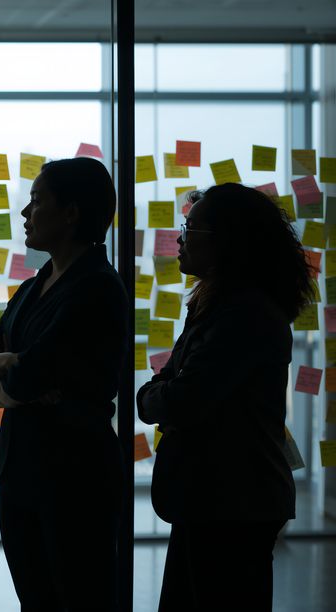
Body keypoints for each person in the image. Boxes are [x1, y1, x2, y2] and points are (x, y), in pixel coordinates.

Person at [0, 157, 127, 611]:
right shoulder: (34, 286)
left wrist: (10, 378)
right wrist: (6, 364)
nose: (25, 212)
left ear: (70, 213)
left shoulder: (97, 287)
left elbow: (26, 377)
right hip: (20, 474)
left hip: (75, 478)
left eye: (36, 201)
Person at [137, 183, 308, 611]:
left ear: (227, 241)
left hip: (231, 502)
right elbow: (174, 388)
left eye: (191, 228)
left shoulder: (244, 313)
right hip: (213, 497)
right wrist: (163, 396)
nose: (180, 238)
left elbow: (181, 399)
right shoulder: (216, 305)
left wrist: (156, 398)